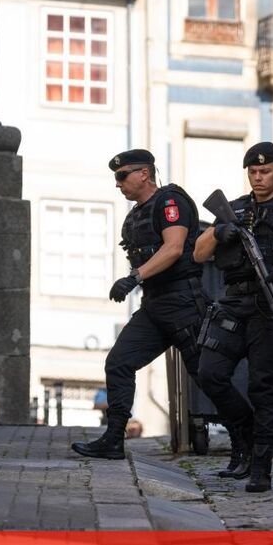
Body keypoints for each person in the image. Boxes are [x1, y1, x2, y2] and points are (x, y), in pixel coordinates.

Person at [193, 141, 273, 492]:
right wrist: (219, 231)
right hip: (234, 303)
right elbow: (199, 253)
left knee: (262, 386)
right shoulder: (234, 208)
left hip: (271, 305)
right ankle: (245, 436)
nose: (259, 177)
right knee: (210, 373)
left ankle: (260, 466)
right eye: (253, 171)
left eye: (265, 171)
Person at [72, 149, 208, 460]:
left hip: (183, 303)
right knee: (119, 362)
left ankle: (252, 437)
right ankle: (113, 439)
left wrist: (134, 277)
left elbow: (174, 248)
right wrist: (137, 279)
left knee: (209, 377)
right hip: (155, 305)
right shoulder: (135, 216)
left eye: (122, 176)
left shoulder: (170, 202)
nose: (118, 183)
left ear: (144, 174)